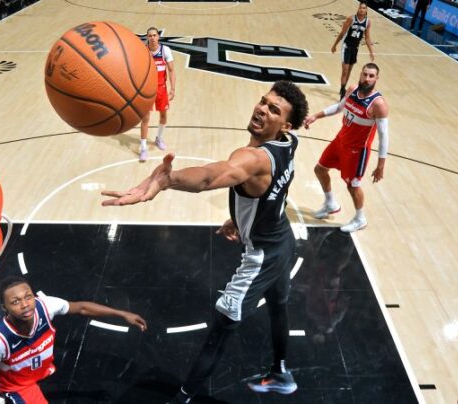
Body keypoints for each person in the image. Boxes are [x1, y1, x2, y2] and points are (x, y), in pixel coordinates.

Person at [101, 80, 308, 403]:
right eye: (263, 102)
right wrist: (239, 219)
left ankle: (182, 399)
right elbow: (274, 191)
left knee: (221, 329)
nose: (261, 109)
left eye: (273, 110)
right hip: (283, 239)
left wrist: (167, 180)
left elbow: (211, 177)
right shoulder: (289, 144)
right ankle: (281, 372)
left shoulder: (252, 158)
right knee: (279, 308)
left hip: (263, 256)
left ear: (286, 124)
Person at [0, 276, 147, 404]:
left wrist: (123, 314)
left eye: (28, 297)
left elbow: (81, 308)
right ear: (4, 307)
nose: (25, 305)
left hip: (41, 369)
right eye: (15, 302)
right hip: (18, 385)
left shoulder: (45, 305)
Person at [304, 63, 389, 233]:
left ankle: (360, 219)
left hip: (357, 151)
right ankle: (330, 204)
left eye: (371, 76)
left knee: (353, 185)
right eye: (365, 74)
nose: (367, 78)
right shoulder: (352, 89)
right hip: (340, 141)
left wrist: (380, 166)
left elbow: (383, 136)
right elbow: (338, 107)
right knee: (320, 170)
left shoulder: (378, 104)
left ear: (376, 79)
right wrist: (316, 116)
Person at [139, 26, 176, 162]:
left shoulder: (165, 50)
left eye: (154, 35)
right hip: (147, 89)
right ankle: (143, 148)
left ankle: (159, 138)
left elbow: (171, 70)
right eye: (150, 36)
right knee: (145, 119)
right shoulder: (142, 51)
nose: (152, 38)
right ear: (147, 37)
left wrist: (172, 89)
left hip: (161, 88)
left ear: (158, 37)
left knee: (163, 116)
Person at [331, 1, 374, 101]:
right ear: (358, 8)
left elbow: (367, 38)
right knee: (345, 70)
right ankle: (342, 91)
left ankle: (344, 86)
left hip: (355, 48)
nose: (361, 9)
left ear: (366, 10)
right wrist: (335, 45)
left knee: (349, 70)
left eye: (364, 8)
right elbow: (342, 33)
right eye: (360, 7)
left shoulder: (367, 22)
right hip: (346, 46)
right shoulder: (351, 19)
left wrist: (371, 51)